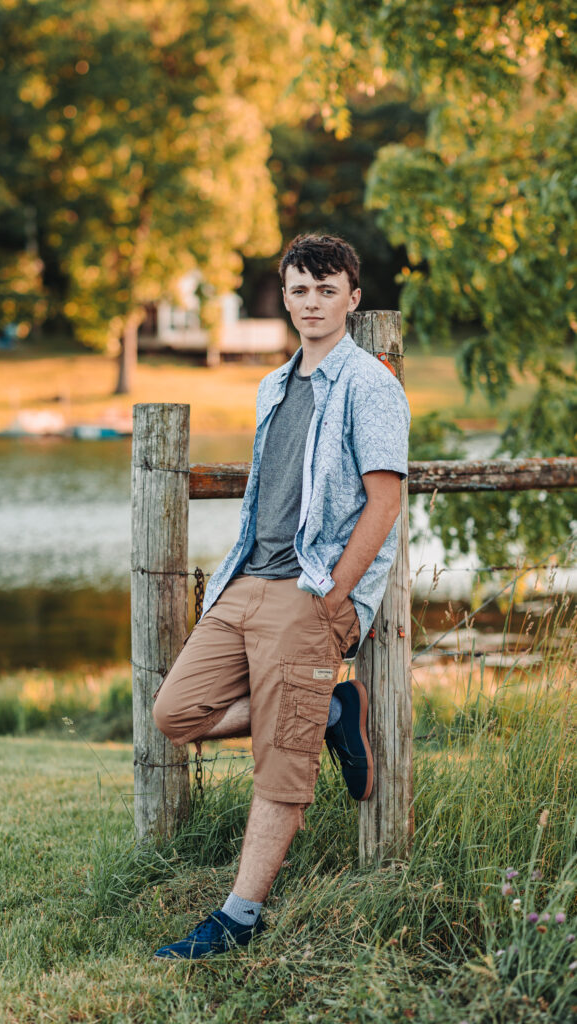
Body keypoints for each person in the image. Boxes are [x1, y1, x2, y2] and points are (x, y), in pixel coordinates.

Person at [152, 233, 410, 959]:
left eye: (327, 290)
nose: (311, 302)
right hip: (244, 583)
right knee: (175, 712)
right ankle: (327, 710)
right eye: (300, 289)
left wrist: (335, 596)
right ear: (286, 295)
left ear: (352, 300)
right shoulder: (274, 384)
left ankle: (238, 917)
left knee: (281, 759)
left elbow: (382, 503)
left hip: (308, 592)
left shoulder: (369, 384)